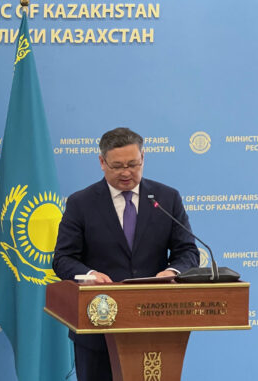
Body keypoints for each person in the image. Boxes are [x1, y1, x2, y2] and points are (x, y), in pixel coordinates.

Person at [52, 127, 199, 381]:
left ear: (144, 157)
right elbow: (63, 259)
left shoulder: (166, 198)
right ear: (101, 162)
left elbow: (187, 251)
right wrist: (89, 274)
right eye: (117, 166)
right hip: (97, 326)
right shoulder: (81, 203)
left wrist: (172, 272)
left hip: (156, 325)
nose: (126, 172)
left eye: (133, 164)